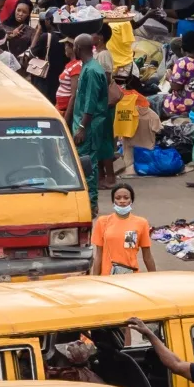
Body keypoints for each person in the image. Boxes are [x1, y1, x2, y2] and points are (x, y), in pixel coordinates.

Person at [69, 34, 118, 215]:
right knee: (90, 162)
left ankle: (90, 204)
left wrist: (82, 127)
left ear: (78, 48)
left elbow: (90, 103)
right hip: (87, 124)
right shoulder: (90, 67)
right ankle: (90, 203)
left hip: (88, 126)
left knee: (87, 163)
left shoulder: (91, 71)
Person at [90, 183, 157, 274]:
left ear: (131, 201)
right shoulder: (102, 222)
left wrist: (154, 277)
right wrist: (95, 280)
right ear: (113, 201)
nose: (122, 201)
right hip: (107, 277)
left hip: (130, 275)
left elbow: (147, 256)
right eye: (118, 198)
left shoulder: (141, 223)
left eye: (126, 198)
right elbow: (98, 255)